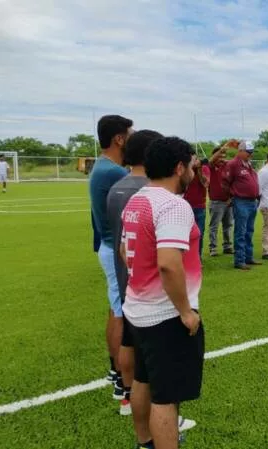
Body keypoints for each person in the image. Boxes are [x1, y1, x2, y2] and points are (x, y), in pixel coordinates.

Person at [120, 136, 205, 449]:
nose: (193, 173)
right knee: (166, 397)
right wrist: (185, 311)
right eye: (192, 167)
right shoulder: (173, 205)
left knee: (143, 380)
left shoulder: (137, 199)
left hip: (137, 309)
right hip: (165, 316)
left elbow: (124, 251)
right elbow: (169, 263)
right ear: (179, 167)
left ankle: (145, 442)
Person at [107, 130, 160, 418]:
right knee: (149, 358)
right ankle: (156, 413)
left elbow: (117, 242)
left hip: (126, 278)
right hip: (147, 287)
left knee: (129, 340)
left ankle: (126, 397)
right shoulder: (150, 191)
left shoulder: (117, 187)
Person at [89, 114, 133, 398]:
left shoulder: (103, 167)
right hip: (115, 248)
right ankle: (121, 377)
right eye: (131, 135)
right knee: (120, 312)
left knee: (115, 307)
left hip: (108, 246)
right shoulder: (114, 173)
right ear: (119, 139)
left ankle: (115, 369)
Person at [222, 140, 261, 270]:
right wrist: (231, 196)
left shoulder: (248, 163)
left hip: (252, 201)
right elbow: (225, 182)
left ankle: (248, 257)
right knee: (241, 231)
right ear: (240, 151)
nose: (251, 154)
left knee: (249, 231)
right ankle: (239, 260)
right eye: (248, 152)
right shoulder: (233, 164)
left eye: (252, 152)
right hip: (241, 201)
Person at [207, 143, 236, 257]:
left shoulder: (227, 166)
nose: (221, 158)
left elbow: (233, 183)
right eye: (219, 156)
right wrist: (221, 150)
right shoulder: (210, 166)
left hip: (228, 201)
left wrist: (231, 198)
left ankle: (227, 247)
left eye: (223, 156)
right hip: (216, 202)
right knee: (214, 226)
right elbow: (210, 160)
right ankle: (213, 248)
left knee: (228, 225)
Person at [183, 158, 211, 258]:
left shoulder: (204, 168)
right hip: (185, 206)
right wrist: (189, 168)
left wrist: (199, 169)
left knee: (199, 233)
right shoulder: (185, 169)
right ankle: (186, 257)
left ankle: (197, 257)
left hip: (199, 206)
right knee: (185, 233)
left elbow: (205, 183)